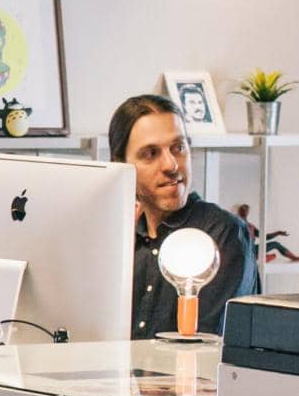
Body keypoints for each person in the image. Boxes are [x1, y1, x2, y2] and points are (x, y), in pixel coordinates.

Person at [107, 94, 257, 338]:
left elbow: (207, 344)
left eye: (178, 148)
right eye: (151, 153)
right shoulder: (118, 237)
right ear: (119, 164)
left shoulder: (223, 234)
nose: (171, 165)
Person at [234, 203, 299, 261]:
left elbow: (265, 237)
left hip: (254, 249)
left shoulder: (251, 226)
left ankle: (296, 258)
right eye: (243, 210)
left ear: (248, 212)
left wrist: (278, 233)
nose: (245, 212)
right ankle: (260, 257)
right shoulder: (237, 225)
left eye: (246, 210)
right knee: (270, 255)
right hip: (245, 252)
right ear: (239, 212)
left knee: (276, 244)